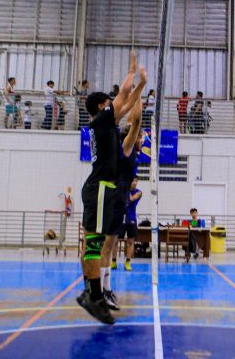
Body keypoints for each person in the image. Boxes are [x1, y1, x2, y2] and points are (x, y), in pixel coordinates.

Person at [76, 50, 143, 324]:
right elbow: (124, 97)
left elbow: (128, 105)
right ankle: (93, 294)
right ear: (102, 107)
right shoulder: (102, 120)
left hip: (102, 188)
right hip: (101, 187)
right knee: (93, 243)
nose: (114, 105)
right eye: (109, 103)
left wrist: (140, 86)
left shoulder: (105, 127)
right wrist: (132, 73)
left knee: (94, 243)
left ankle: (92, 294)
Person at [101, 69, 147, 310]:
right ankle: (101, 290)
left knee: (107, 245)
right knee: (107, 244)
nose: (140, 139)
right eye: (138, 138)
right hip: (116, 197)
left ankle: (103, 289)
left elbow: (131, 121)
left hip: (110, 194)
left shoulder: (118, 148)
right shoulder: (126, 147)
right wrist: (139, 89)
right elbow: (136, 122)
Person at [111, 177, 142, 271]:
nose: (134, 183)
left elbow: (131, 199)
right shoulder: (122, 190)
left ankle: (128, 262)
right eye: (133, 180)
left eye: (136, 181)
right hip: (120, 218)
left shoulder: (139, 192)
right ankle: (113, 262)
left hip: (131, 219)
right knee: (115, 241)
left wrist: (125, 190)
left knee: (130, 242)